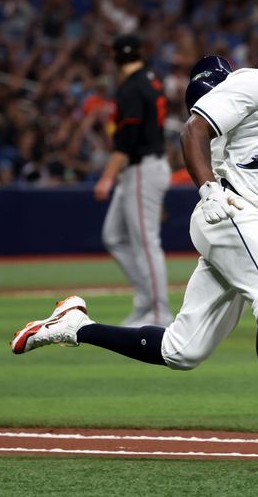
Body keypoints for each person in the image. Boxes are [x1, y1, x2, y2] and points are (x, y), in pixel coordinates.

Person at [11, 12, 258, 468]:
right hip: (231, 210)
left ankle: (72, 326)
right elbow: (194, 130)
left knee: (183, 350)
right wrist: (208, 189)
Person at [93, 34, 173, 326]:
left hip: (142, 168)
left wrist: (106, 179)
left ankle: (158, 312)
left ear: (116, 56)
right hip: (143, 168)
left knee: (146, 244)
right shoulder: (150, 80)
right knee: (113, 236)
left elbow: (126, 142)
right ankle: (145, 301)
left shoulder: (131, 88)